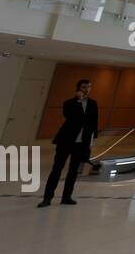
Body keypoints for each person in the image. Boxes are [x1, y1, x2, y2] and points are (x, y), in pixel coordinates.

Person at [39, 79, 99, 207]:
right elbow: (70, 116)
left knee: (73, 171)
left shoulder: (93, 104)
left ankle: (66, 197)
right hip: (66, 141)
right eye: (84, 87)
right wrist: (78, 101)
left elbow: (93, 123)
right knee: (57, 169)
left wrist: (91, 141)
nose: (86, 89)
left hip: (81, 143)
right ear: (78, 88)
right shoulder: (69, 103)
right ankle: (47, 198)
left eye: (89, 87)